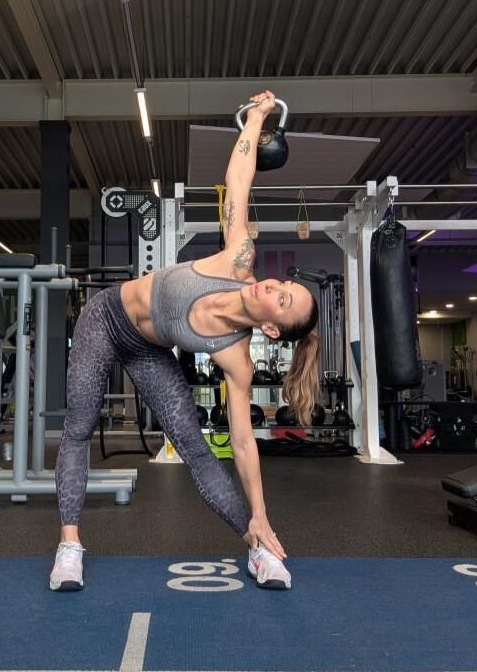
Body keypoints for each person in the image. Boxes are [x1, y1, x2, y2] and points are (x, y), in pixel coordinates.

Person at [50, 91, 320, 592]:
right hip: (105, 317)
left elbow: (242, 443)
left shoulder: (237, 358)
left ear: (271, 330)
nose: (274, 287)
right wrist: (257, 118)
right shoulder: (238, 258)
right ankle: (70, 545)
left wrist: (260, 512)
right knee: (80, 424)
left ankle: (259, 546)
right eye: (285, 285)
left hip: (148, 351)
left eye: (283, 301)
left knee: (197, 449)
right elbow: (238, 180)